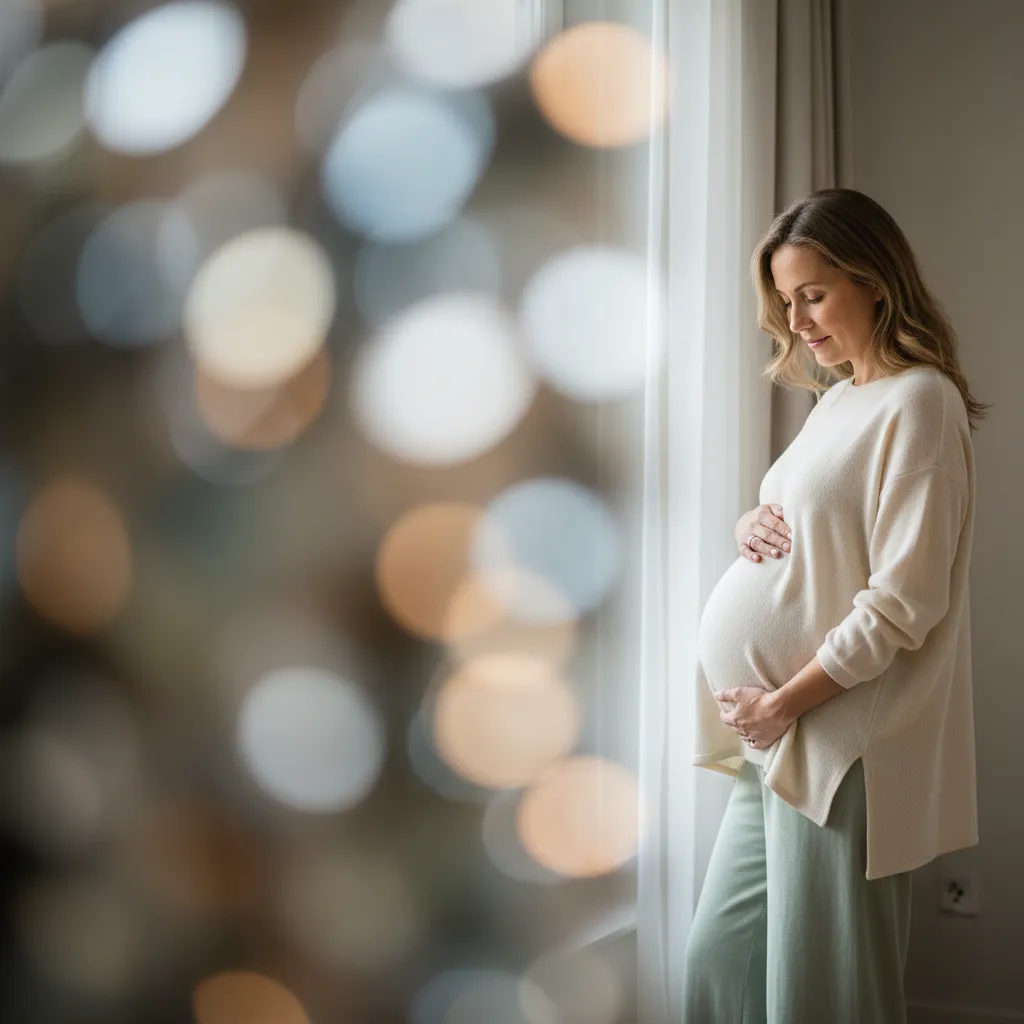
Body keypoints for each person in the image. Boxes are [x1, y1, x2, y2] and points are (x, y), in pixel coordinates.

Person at [681, 187, 992, 1023]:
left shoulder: (920, 402)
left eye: (814, 294)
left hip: (839, 740)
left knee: (824, 996)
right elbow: (814, 524)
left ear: (875, 280)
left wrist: (782, 702)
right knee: (719, 964)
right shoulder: (838, 400)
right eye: (787, 301)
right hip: (779, 739)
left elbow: (902, 602)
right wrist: (752, 518)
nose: (798, 320)